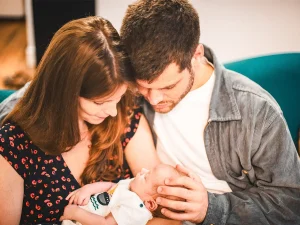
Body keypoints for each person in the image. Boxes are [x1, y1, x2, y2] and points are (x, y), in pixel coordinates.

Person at [119, 0, 300, 224]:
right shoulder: (130, 96)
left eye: (168, 87)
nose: (154, 99)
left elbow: (291, 204)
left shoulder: (257, 111)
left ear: (196, 54)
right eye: (144, 86)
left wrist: (211, 207)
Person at [0, 16, 162, 225]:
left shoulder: (125, 116)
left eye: (118, 98)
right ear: (65, 93)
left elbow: (162, 209)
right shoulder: (14, 145)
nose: (112, 112)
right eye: (99, 102)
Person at [60, 164, 181, 225]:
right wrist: (88, 189)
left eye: (146, 176)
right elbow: (111, 186)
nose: (143, 171)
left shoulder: (136, 211)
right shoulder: (135, 187)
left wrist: (75, 213)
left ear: (149, 203)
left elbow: (105, 223)